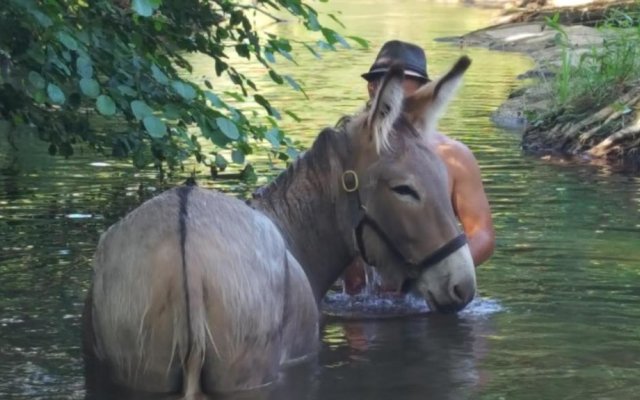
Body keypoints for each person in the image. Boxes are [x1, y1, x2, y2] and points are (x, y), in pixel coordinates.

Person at [343, 40, 495, 294]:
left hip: (433, 292)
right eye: (390, 97)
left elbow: (482, 236)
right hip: (365, 298)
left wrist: (439, 270)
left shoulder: (454, 156)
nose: (397, 107)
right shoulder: (345, 153)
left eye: (407, 99)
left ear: (426, 95)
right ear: (372, 89)